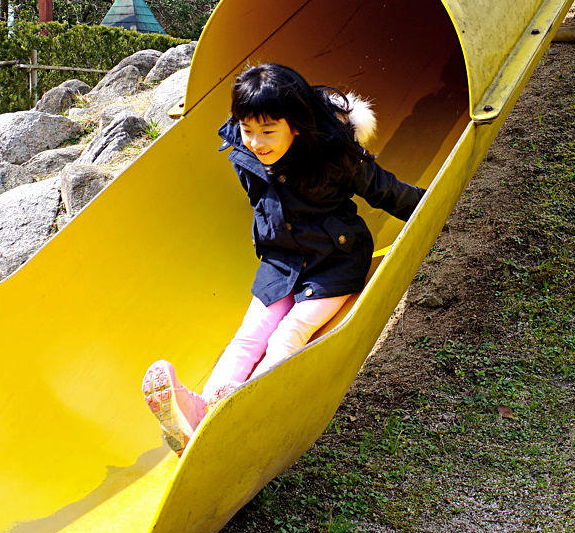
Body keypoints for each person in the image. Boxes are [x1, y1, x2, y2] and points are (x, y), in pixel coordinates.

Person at [142, 63, 425, 455]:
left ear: (295, 125)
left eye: (267, 132)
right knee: (249, 335)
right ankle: (199, 410)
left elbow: (385, 190)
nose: (256, 142)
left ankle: (247, 409)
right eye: (248, 130)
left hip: (335, 262)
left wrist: (433, 203)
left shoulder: (335, 155)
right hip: (281, 262)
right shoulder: (244, 150)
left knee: (288, 334)